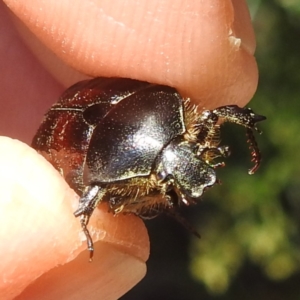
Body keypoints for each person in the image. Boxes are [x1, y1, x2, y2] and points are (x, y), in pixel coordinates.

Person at [0, 0, 258, 299]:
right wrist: (82, 220)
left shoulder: (164, 112)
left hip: (124, 116)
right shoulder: (106, 172)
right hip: (87, 137)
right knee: (108, 203)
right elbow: (97, 187)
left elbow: (214, 114)